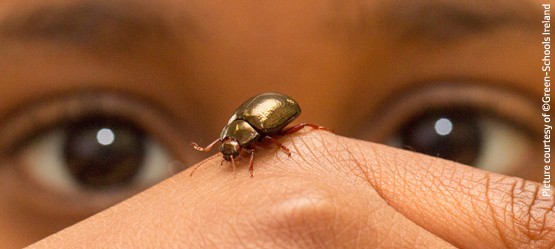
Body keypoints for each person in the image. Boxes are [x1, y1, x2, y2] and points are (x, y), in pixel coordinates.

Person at [0, 0, 551, 248]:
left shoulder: (263, 134)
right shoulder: (237, 135)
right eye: (97, 159)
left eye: (453, 134)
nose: (276, 218)